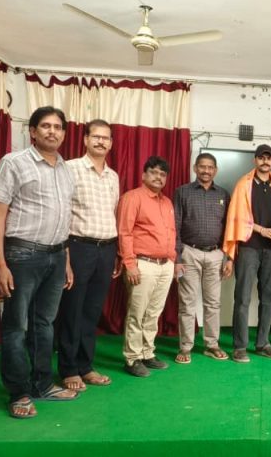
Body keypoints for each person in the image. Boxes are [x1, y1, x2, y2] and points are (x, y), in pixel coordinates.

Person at [0, 106, 78, 419]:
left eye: (58, 127)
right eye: (46, 126)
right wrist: (0, 263)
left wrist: (66, 260)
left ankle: (42, 384)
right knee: (17, 326)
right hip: (21, 255)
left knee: (44, 324)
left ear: (64, 133)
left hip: (57, 255)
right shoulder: (14, 162)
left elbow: (64, 218)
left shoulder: (66, 169)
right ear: (33, 131)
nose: (52, 131)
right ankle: (19, 392)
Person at [56, 119, 120, 392]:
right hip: (78, 247)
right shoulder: (70, 169)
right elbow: (62, 212)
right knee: (72, 309)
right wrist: (65, 256)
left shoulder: (113, 176)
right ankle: (69, 369)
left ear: (111, 143)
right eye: (96, 136)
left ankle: (86, 366)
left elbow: (112, 213)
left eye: (106, 138)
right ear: (85, 140)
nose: (101, 142)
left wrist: (115, 253)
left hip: (106, 249)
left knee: (92, 311)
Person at [223, 144, 271, 363]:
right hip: (248, 247)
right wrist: (262, 230)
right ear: (255, 160)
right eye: (261, 158)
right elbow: (237, 218)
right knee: (243, 297)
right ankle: (240, 347)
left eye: (269, 158)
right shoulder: (243, 184)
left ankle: (263, 343)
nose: (265, 161)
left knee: (269, 297)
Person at [118, 156, 177, 377]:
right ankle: (132, 358)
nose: (158, 177)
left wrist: (173, 260)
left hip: (165, 264)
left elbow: (171, 233)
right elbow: (124, 232)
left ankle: (147, 353)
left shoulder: (167, 202)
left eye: (163, 174)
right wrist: (130, 264)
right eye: (154, 172)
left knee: (153, 312)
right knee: (137, 312)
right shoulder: (132, 197)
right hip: (143, 264)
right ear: (144, 175)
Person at [173, 153, 233, 363]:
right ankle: (185, 347)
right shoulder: (182, 192)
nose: (206, 171)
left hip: (216, 254)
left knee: (213, 303)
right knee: (187, 303)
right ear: (195, 168)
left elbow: (229, 227)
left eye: (210, 167)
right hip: (189, 253)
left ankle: (211, 344)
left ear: (215, 170)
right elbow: (175, 225)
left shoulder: (224, 194)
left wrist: (228, 257)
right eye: (202, 167)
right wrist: (177, 257)